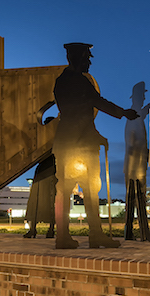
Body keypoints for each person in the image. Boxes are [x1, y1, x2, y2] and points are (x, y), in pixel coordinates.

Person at [52, 43, 138, 249]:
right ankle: (95, 235)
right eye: (87, 58)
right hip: (81, 146)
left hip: (67, 143)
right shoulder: (79, 82)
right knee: (90, 190)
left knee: (64, 190)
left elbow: (77, 115)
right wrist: (124, 113)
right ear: (76, 58)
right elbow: (95, 103)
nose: (89, 62)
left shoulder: (61, 82)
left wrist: (97, 135)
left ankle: (63, 237)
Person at [123, 82, 150, 242]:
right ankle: (144, 234)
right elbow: (135, 144)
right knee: (138, 199)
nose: (144, 97)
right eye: (142, 95)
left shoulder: (134, 115)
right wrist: (149, 156)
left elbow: (144, 112)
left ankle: (129, 233)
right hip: (136, 166)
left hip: (133, 165)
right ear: (137, 97)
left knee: (132, 201)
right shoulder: (134, 116)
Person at [23, 155, 57, 238]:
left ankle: (50, 229)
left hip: (50, 172)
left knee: (50, 200)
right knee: (35, 201)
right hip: (43, 172)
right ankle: (33, 229)